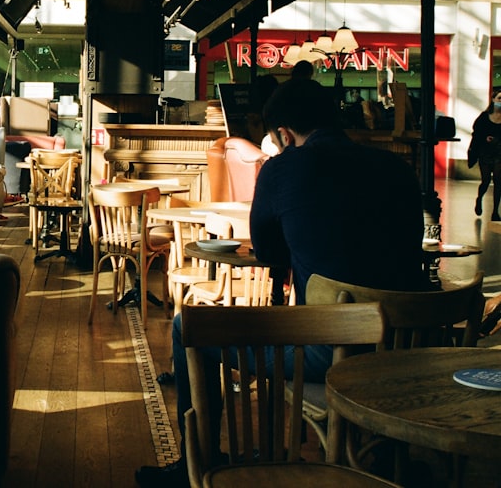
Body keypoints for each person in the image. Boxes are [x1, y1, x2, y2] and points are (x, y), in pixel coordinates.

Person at [135, 79, 430, 488]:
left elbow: (270, 253)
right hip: (406, 350)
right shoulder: (397, 169)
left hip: (332, 354)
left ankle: (195, 465)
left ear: (284, 135)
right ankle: (381, 453)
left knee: (190, 326)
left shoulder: (283, 168)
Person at [469, 87, 501, 221]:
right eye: (500, 98)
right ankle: (479, 198)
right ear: (493, 99)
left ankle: (495, 212)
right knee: (486, 181)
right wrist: (485, 138)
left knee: (499, 182)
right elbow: (476, 131)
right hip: (485, 153)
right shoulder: (484, 116)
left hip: (499, 152)